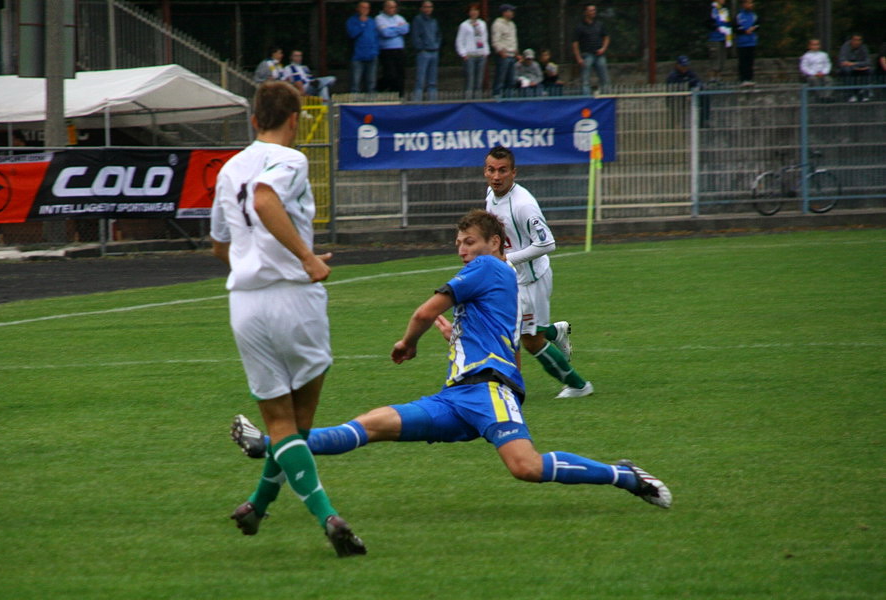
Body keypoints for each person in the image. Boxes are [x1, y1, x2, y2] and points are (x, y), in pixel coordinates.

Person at [230, 209, 672, 513]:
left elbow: (423, 311)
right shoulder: (500, 280)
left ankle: (624, 475)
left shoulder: (489, 267)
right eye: (459, 243)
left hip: (486, 392)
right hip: (456, 397)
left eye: (470, 242)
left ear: (495, 243)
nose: (462, 249)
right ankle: (267, 445)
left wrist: (408, 343)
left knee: (526, 466)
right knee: (369, 425)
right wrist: (453, 333)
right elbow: (496, 337)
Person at [210, 81, 366, 558]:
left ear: (255, 119)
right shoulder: (293, 160)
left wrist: (257, 265)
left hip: (246, 305)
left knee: (279, 425)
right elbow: (264, 199)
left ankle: (258, 505)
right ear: (294, 120)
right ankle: (328, 516)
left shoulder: (229, 167)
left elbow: (221, 244)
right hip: (294, 301)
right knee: (298, 424)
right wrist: (306, 258)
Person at [483, 146, 594, 399]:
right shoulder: (491, 194)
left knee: (531, 341)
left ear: (514, 172)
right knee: (516, 331)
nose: (496, 176)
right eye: (491, 170)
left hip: (531, 280)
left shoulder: (523, 205)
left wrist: (507, 259)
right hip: (513, 278)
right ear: (485, 171)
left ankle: (579, 386)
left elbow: (547, 244)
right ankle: (556, 332)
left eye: (502, 171)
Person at [572, 4, 610, 97]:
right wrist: (578, 58)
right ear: (585, 12)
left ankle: (605, 96)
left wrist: (603, 48)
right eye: (591, 10)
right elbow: (575, 43)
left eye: (594, 10)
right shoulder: (580, 27)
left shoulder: (599, 25)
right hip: (587, 54)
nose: (593, 12)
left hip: (599, 54)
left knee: (604, 78)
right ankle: (586, 97)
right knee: (585, 79)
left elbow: (606, 37)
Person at [455, 3, 489, 99]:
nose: (474, 12)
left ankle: (477, 100)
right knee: (470, 80)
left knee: (479, 81)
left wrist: (486, 52)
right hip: (470, 56)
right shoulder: (464, 25)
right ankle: (468, 101)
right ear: (469, 12)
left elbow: (485, 39)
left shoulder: (482, 24)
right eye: (472, 10)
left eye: (476, 10)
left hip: (481, 55)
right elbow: (459, 40)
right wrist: (463, 53)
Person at [376, 0, 410, 95]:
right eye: (390, 7)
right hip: (386, 50)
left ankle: (399, 95)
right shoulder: (379, 18)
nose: (393, 9)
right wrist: (398, 29)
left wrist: (392, 28)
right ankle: (380, 89)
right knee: (390, 74)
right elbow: (385, 33)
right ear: (385, 8)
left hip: (399, 49)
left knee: (400, 74)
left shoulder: (399, 18)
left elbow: (406, 29)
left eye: (394, 7)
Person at [411, 0, 442, 101]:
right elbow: (415, 36)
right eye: (426, 7)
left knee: (432, 81)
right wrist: (421, 47)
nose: (428, 9)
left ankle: (432, 102)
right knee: (420, 80)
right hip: (423, 52)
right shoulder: (417, 20)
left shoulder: (434, 21)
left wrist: (437, 45)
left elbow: (438, 34)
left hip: (434, 51)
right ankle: (417, 103)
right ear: (421, 8)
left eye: (430, 7)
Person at [346, 1, 380, 94]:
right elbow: (352, 34)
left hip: (372, 55)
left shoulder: (372, 21)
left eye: (367, 8)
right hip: (358, 56)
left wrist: (376, 50)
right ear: (358, 9)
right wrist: (362, 24)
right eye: (363, 7)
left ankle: (372, 102)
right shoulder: (352, 21)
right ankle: (354, 101)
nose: (365, 10)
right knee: (355, 81)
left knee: (371, 81)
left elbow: (376, 37)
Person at [490, 4, 519, 97]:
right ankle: (497, 95)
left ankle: (509, 97)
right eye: (510, 11)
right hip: (504, 55)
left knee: (511, 79)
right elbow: (495, 40)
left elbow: (513, 39)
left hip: (512, 55)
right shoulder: (498, 24)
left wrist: (516, 51)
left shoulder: (512, 24)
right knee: (500, 78)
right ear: (504, 12)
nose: (512, 13)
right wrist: (500, 51)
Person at [837, 34, 872, 102]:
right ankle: (850, 94)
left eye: (859, 40)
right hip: (848, 68)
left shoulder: (863, 48)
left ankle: (864, 93)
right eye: (855, 40)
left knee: (869, 70)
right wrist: (854, 66)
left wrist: (855, 64)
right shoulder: (845, 47)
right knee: (847, 70)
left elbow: (868, 62)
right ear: (851, 40)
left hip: (859, 67)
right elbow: (842, 62)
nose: (857, 42)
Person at [706, 1, 732, 82]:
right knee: (715, 60)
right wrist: (716, 27)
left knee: (721, 60)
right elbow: (708, 22)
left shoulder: (724, 10)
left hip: (723, 38)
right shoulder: (712, 9)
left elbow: (727, 23)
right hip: (714, 38)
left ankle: (719, 78)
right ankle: (712, 78)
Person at [734, 0, 758, 86]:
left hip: (751, 42)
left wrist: (753, 28)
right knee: (743, 61)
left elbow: (757, 25)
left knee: (750, 61)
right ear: (744, 4)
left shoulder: (754, 15)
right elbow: (736, 28)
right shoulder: (739, 16)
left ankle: (750, 78)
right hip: (742, 42)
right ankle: (743, 79)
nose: (750, 5)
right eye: (748, 3)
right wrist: (744, 31)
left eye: (751, 3)